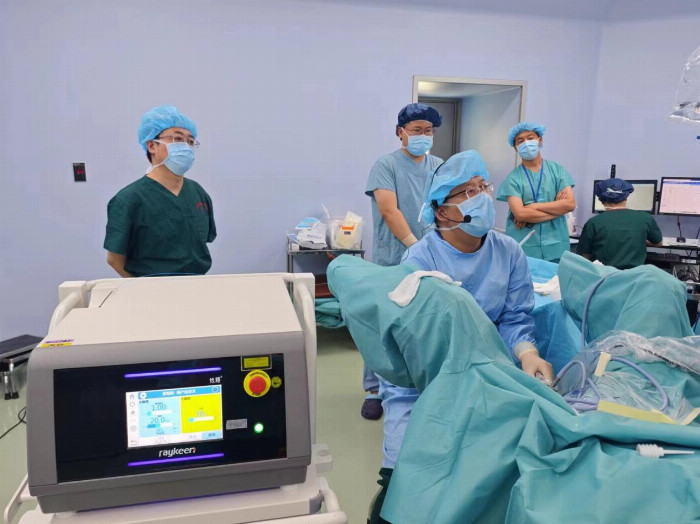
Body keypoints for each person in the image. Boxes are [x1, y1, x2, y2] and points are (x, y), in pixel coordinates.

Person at [369, 150, 553, 524]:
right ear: (441, 211)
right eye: (469, 192)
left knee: (495, 475)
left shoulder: (508, 251)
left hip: (488, 373)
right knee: (404, 484)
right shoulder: (420, 261)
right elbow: (413, 347)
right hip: (425, 382)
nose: (483, 197)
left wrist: (527, 353)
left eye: (483, 186)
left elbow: (514, 318)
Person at [361, 103, 444, 420]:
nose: (423, 135)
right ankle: (373, 390)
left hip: (433, 257)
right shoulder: (386, 165)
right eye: (416, 130)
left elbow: (444, 205)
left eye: (428, 131)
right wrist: (415, 246)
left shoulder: (438, 165)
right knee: (383, 324)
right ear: (400, 132)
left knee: (422, 324)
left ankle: (416, 384)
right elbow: (389, 210)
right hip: (394, 258)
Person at [104, 105, 216, 277]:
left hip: (197, 284)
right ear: (152, 146)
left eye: (190, 141)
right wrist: (141, 287)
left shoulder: (198, 193)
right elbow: (114, 259)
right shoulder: (129, 199)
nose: (186, 146)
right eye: (177, 139)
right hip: (151, 287)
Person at [497, 121, 576, 262]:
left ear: (540, 140)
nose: (526, 143)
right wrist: (557, 209)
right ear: (515, 148)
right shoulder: (513, 179)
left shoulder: (557, 171)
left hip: (556, 245)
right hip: (525, 246)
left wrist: (532, 207)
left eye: (530, 138)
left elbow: (569, 205)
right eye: (520, 141)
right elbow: (520, 214)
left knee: (555, 276)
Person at [578, 178, 662, 269]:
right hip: (634, 275)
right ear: (626, 197)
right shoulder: (645, 218)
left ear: (601, 200)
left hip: (604, 275)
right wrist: (640, 240)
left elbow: (585, 257)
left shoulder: (593, 222)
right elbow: (658, 243)